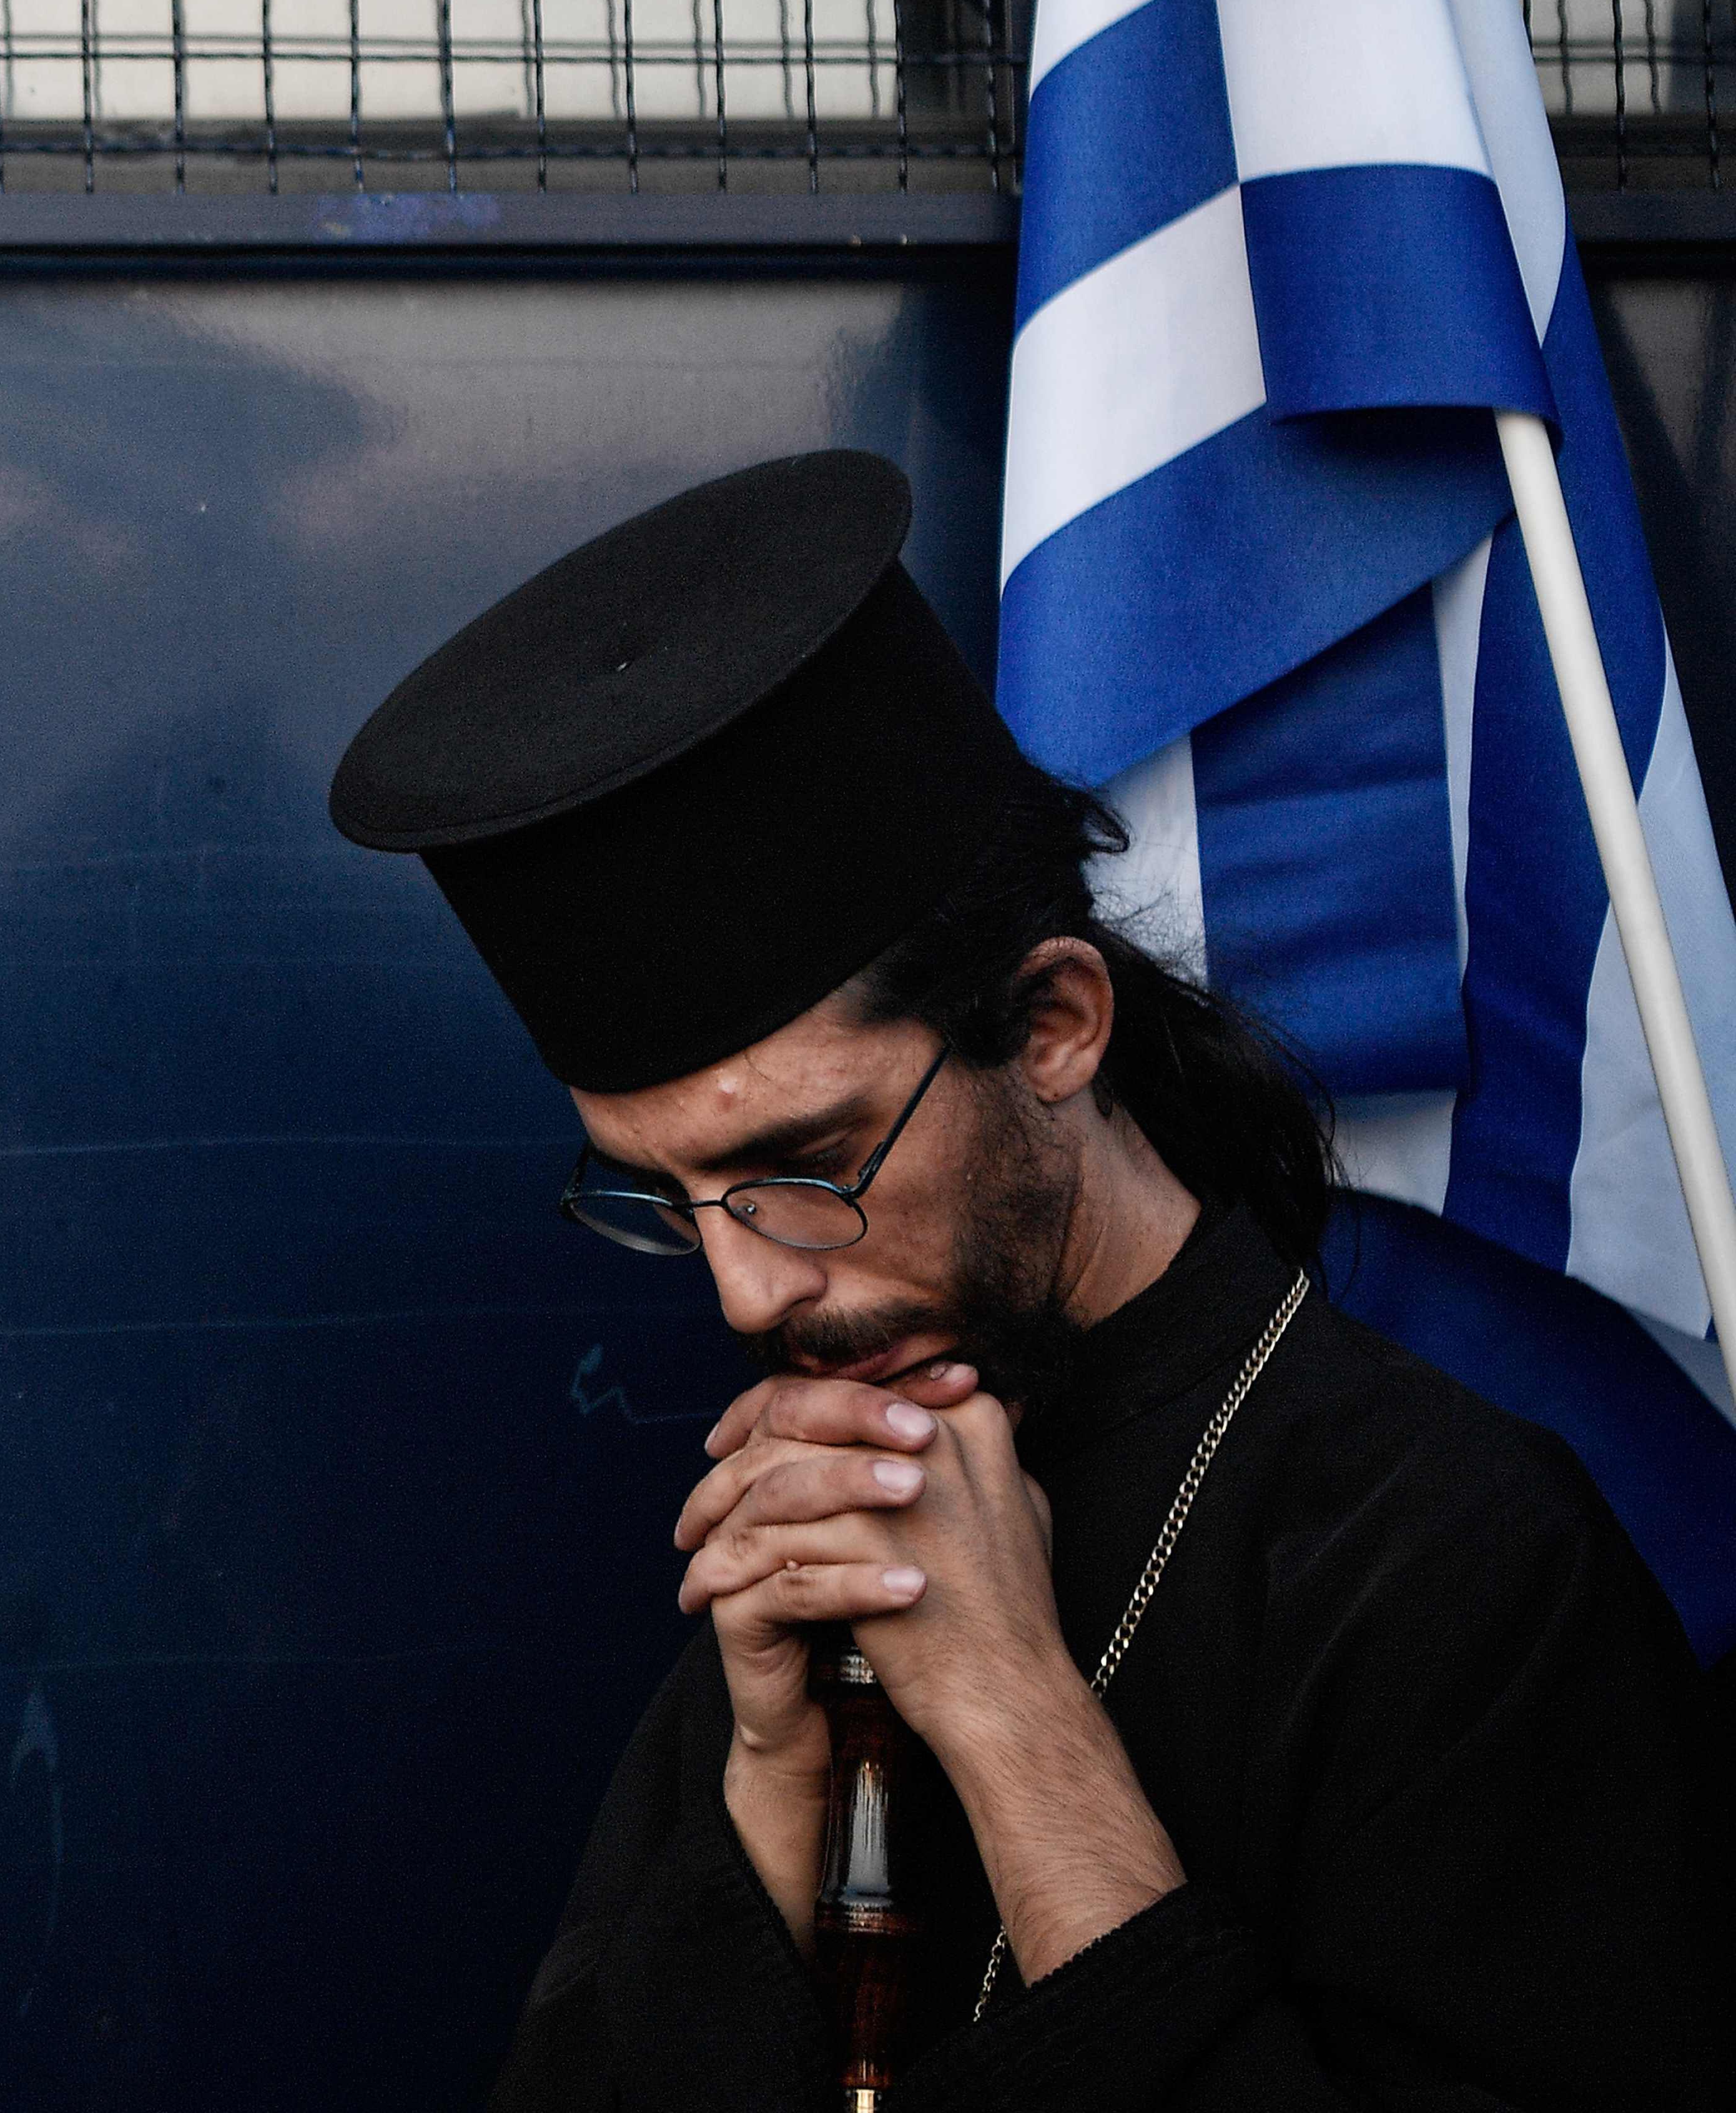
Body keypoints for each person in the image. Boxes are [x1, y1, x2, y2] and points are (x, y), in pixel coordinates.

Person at [328, 452, 1730, 2111]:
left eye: (806, 1167)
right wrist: (771, 1781)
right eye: (667, 1196)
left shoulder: (1454, 1565)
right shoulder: (836, 1492)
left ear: (1055, 1023)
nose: (744, 1299)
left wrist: (1013, 1722)